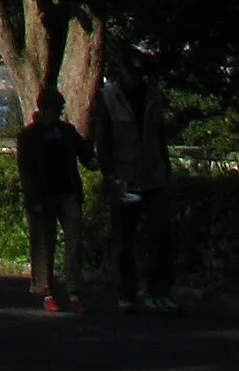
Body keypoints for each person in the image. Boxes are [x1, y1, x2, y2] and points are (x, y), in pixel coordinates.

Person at [95, 50, 175, 312]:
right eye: (134, 73)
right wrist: (110, 174)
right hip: (124, 178)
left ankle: (157, 290)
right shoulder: (108, 97)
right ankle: (127, 293)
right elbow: (103, 139)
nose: (138, 78)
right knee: (123, 240)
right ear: (124, 71)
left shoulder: (153, 96)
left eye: (141, 73)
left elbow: (159, 135)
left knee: (162, 235)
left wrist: (166, 168)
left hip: (153, 175)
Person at [15, 85, 90, 312]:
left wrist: (95, 161)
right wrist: (33, 199)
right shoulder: (29, 136)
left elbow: (84, 151)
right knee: (43, 243)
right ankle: (45, 289)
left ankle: (73, 290)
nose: (57, 114)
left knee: (74, 240)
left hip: (68, 192)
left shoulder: (67, 131)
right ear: (43, 109)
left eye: (59, 110)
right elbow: (26, 170)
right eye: (54, 109)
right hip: (42, 195)